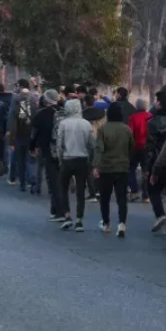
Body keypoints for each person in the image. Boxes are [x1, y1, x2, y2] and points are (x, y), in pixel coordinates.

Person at [94, 103, 134, 237]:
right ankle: (122, 224)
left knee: (105, 198)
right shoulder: (127, 129)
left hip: (106, 167)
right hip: (122, 167)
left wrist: (96, 165)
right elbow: (131, 148)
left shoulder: (103, 129)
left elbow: (99, 148)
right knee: (121, 198)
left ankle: (106, 223)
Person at [56, 98, 95, 232]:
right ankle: (79, 220)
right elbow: (91, 144)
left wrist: (60, 159)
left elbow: (59, 144)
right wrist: (91, 160)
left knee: (63, 187)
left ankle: (67, 215)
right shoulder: (86, 124)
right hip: (82, 159)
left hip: (67, 158)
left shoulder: (63, 124)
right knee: (80, 191)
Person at [145, 91, 166, 233]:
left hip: (157, 160)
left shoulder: (152, 122)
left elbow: (150, 146)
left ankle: (159, 214)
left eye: (157, 101)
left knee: (152, 188)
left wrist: (148, 167)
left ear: (160, 104)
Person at [30, 90, 61, 220]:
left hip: (48, 150)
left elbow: (34, 134)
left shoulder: (41, 114)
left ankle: (56, 210)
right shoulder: (63, 112)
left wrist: (32, 147)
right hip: (64, 151)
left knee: (52, 181)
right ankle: (62, 209)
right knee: (61, 180)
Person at [8, 88, 36, 191]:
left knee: (21, 161)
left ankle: (23, 183)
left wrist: (11, 140)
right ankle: (32, 180)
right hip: (31, 137)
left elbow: (13, 126)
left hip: (20, 138)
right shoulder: (34, 107)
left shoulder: (17, 107)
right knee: (32, 160)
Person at [82, 93, 106, 200]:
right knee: (99, 167)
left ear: (85, 103)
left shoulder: (82, 115)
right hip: (100, 141)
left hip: (88, 143)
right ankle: (99, 190)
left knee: (89, 168)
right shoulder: (102, 113)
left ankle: (92, 192)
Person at [127, 98, 151, 202]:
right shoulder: (150, 116)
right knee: (146, 170)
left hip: (135, 147)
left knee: (131, 168)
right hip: (147, 147)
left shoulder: (133, 118)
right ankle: (146, 195)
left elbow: (130, 133)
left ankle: (134, 191)